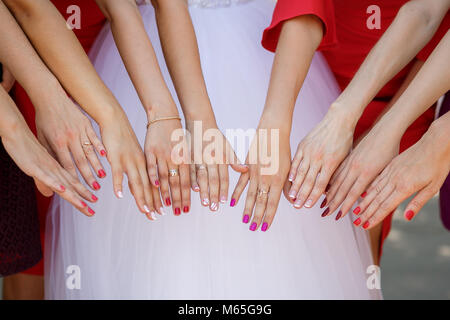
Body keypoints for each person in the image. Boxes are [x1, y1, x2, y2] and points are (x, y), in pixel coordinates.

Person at [45, 0, 379, 299]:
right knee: (160, 238)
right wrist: (172, 116)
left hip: (263, 46)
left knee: (276, 242)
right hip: (148, 48)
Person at [262, 0, 450, 262]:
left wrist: (434, 135)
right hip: (320, 73)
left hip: (411, 85)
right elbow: (424, 11)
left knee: (357, 249)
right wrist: (341, 117)